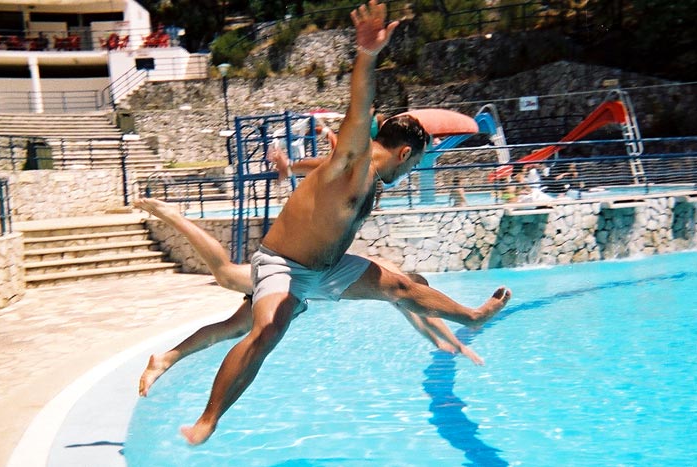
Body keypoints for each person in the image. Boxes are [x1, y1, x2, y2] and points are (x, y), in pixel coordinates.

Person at [180, 0, 511, 445]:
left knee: (401, 286)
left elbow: (318, 165)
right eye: (414, 165)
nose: (410, 174)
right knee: (267, 331)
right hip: (283, 265)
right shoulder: (355, 161)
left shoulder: (361, 174)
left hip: (330, 267)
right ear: (404, 153)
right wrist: (367, 54)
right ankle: (208, 418)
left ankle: (471, 316)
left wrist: (291, 168)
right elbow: (359, 107)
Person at [135, 197, 485, 397]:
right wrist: (455, 340)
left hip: (295, 289)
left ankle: (164, 359)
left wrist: (450, 343)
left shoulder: (398, 287)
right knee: (226, 278)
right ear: (416, 287)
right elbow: (423, 314)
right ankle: (175, 217)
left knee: (231, 323)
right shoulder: (393, 279)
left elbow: (420, 318)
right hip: (290, 280)